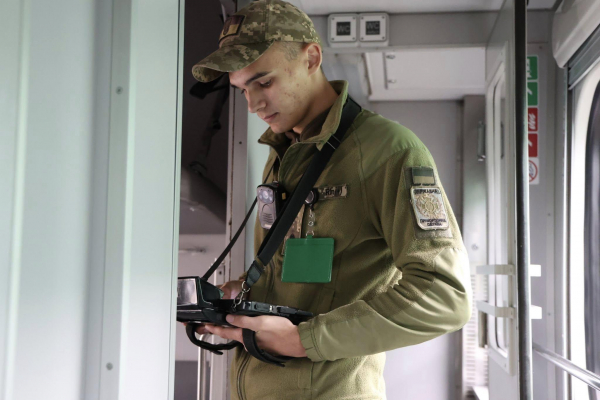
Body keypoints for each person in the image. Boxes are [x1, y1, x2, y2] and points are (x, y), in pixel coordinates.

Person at [189, 0, 472, 398]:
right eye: (242, 89)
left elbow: (445, 296)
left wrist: (306, 340)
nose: (252, 104)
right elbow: (299, 276)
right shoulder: (284, 153)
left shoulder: (389, 151)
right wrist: (239, 296)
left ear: (311, 58)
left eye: (264, 82)